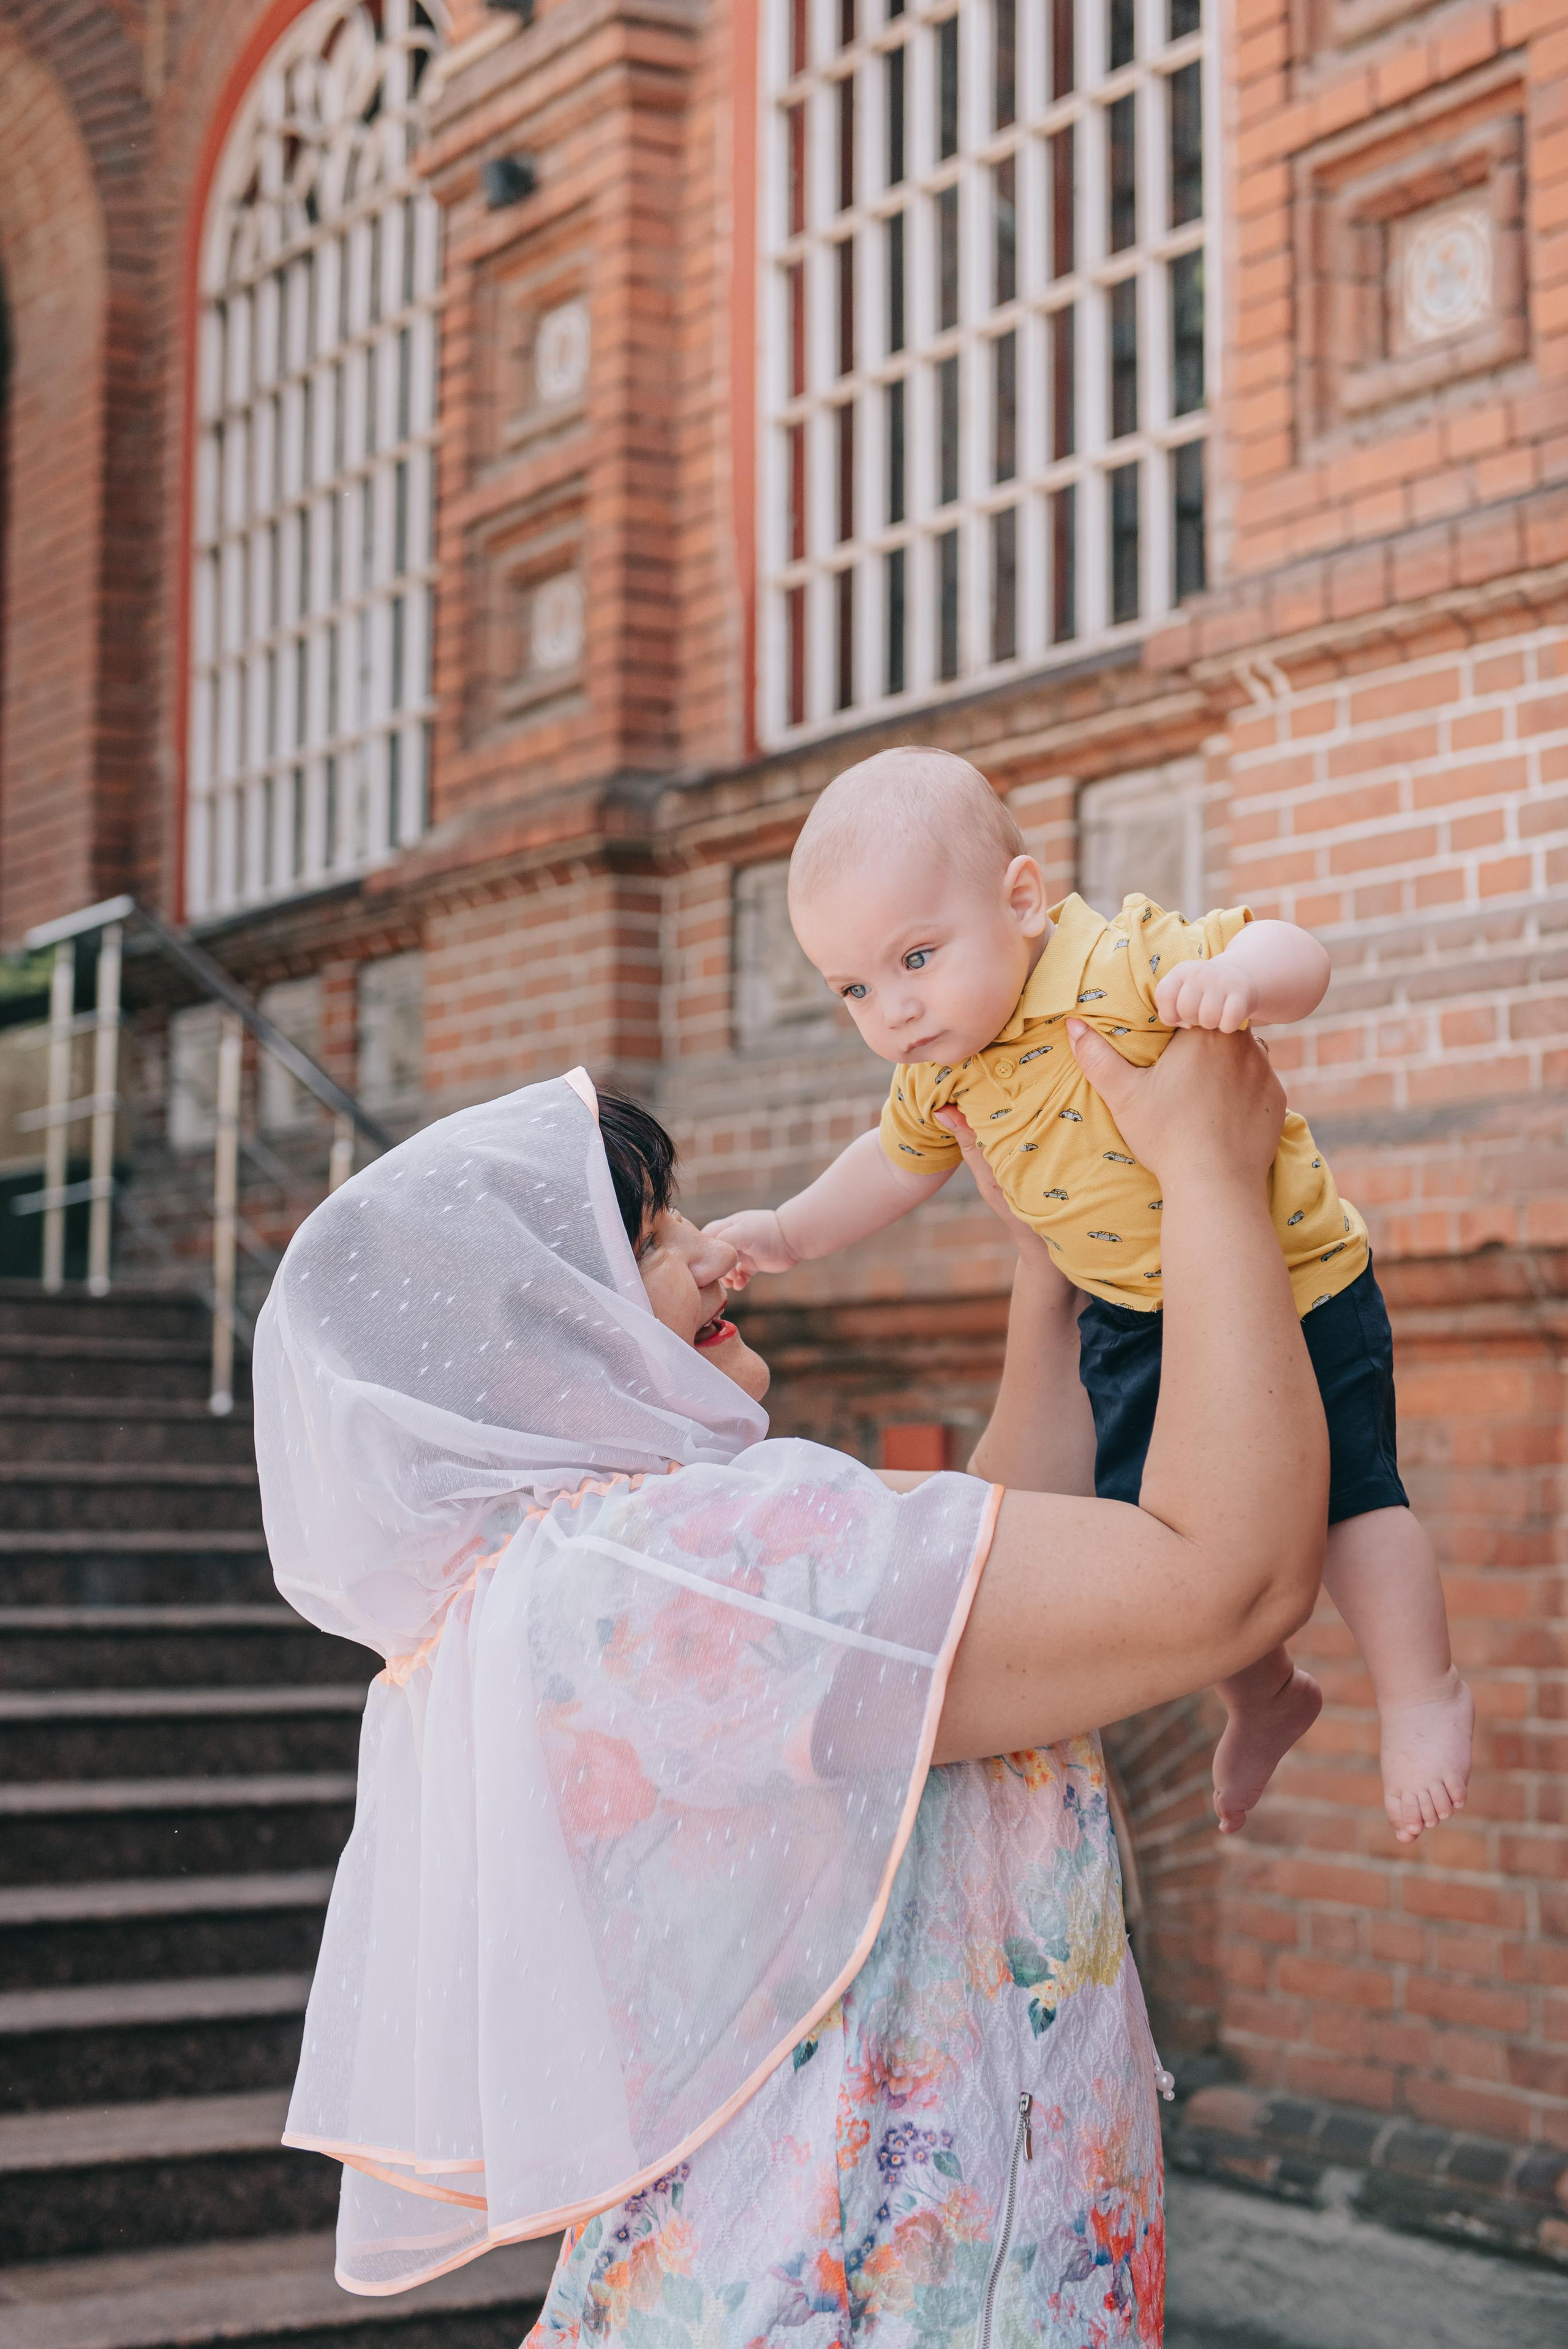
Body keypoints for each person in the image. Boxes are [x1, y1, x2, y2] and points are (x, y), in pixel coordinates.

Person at [254, 1028, 1323, 2344]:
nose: (712, 1250)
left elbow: (1002, 1579)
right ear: (542, 1347)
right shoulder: (692, 1568)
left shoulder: (574, 1576)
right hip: (863, 2300)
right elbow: (1226, 1586)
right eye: (648, 1242)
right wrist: (1214, 1173)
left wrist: (1042, 1265)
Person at [707, 747, 1472, 1844]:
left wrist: (1245, 980)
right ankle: (1265, 1695)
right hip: (1133, 1317)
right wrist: (786, 1230)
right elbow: (890, 1163)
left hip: (1293, 1281)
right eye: (857, 989)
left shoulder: (1114, 964)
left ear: (1022, 900)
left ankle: (1422, 1689)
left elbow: (1293, 949)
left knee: (1350, 1499)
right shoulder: (941, 1071)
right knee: (1166, 1538)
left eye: (917, 956)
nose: (896, 1010)